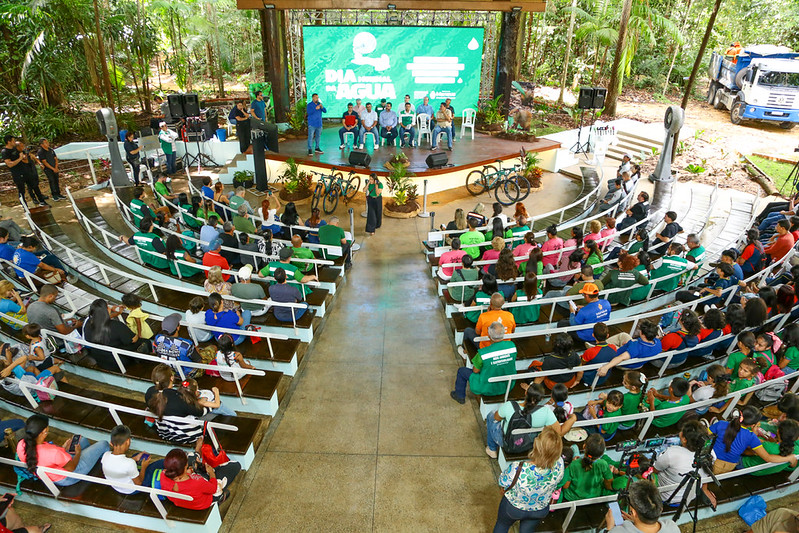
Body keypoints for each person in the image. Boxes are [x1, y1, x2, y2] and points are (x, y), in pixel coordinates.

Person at [492, 426, 564, 533]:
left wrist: (503, 488)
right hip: (539, 509)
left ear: (537, 446)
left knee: (502, 525)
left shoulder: (518, 467)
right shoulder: (560, 464)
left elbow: (502, 481)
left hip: (513, 507)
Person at [18, 414, 110, 487]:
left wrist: (63, 448)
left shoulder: (21, 444)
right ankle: (106, 466)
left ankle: (93, 460)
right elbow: (71, 468)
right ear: (44, 431)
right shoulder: (53, 452)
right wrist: (78, 453)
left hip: (53, 473)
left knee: (83, 440)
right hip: (69, 476)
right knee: (103, 444)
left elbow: (48, 458)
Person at [709, 406, 797, 474]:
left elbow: (705, 435)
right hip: (729, 466)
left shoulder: (721, 423)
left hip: (711, 462)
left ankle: (715, 428)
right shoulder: (752, 437)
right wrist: (789, 458)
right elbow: (768, 457)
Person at [450, 321, 517, 404]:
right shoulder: (512, 346)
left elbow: (475, 371)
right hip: (507, 385)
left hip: (487, 387)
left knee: (462, 371)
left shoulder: (483, 353)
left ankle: (459, 396)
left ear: (489, 336)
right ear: (504, 334)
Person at [159, 444, 241, 509]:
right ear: (185, 466)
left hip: (181, 500)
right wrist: (211, 473)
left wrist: (189, 471)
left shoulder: (163, 474)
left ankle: (197, 454)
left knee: (192, 458)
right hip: (203, 502)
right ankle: (219, 497)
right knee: (235, 465)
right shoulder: (197, 482)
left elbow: (180, 481)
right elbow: (213, 488)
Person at [146, 364, 209, 443]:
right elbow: (200, 412)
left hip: (164, 432)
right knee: (214, 408)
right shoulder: (179, 398)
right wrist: (204, 403)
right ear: (172, 378)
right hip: (185, 436)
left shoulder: (149, 392)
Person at [82, 298, 146, 371]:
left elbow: (101, 319)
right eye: (108, 307)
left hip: (100, 360)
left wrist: (116, 313)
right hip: (118, 361)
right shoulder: (117, 326)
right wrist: (137, 334)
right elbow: (133, 340)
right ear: (106, 310)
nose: (110, 308)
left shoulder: (87, 323)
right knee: (143, 341)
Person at [101, 424, 160, 494]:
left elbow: (119, 464)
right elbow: (139, 483)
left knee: (136, 456)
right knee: (160, 462)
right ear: (128, 441)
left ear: (111, 443)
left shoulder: (105, 455)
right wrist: (144, 467)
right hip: (132, 490)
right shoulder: (130, 463)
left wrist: (135, 458)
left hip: (116, 487)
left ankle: (137, 467)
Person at [605, 480, 680, 533]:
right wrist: (636, 520)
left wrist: (609, 528)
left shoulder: (617, 531)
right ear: (661, 509)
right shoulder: (672, 527)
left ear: (633, 512)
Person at [458, 292, 516, 357]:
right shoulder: (510, 316)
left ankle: (465, 352)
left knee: (467, 330)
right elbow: (512, 331)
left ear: (490, 303)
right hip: (504, 346)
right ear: (503, 303)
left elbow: (477, 332)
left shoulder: (483, 316)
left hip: (486, 347)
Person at [598, 321, 662, 376]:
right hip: (638, 363)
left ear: (643, 335)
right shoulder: (657, 343)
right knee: (623, 335)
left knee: (607, 347)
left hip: (624, 363)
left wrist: (606, 367)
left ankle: (598, 346)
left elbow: (621, 357)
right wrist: (629, 344)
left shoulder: (636, 347)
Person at [561, 433, 613, 501]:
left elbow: (565, 486)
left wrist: (572, 463)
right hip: (594, 496)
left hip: (572, 497)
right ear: (602, 453)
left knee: (574, 447)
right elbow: (608, 483)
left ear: (584, 446)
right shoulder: (603, 464)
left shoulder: (572, 465)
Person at [2, 136, 47, 207]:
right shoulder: (5, 152)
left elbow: (25, 155)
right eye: (13, 141)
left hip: (26, 171)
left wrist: (25, 157)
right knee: (21, 191)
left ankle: (42, 201)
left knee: (35, 186)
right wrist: (20, 158)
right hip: (17, 174)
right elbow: (10, 164)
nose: (14, 142)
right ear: (8, 142)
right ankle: (25, 207)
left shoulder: (15, 148)